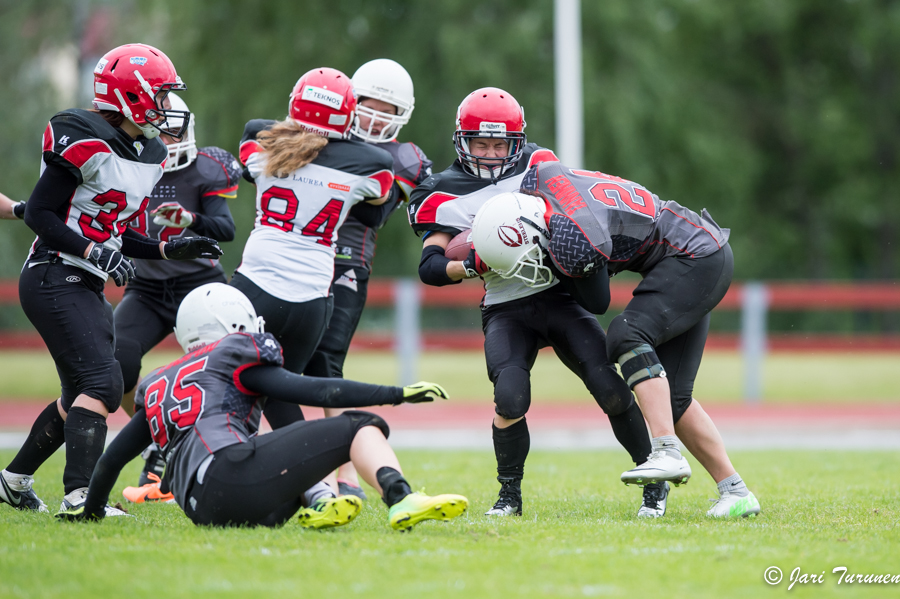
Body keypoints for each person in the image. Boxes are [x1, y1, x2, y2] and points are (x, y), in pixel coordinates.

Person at [408, 88, 659, 518]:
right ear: (462, 141)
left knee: (610, 389)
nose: (489, 153)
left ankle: (654, 484)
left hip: (559, 292)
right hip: (505, 305)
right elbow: (430, 266)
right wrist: (471, 263)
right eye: (480, 143)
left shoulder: (540, 166)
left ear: (517, 142)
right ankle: (509, 496)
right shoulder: (442, 191)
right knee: (509, 397)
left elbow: (580, 214)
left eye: (499, 144)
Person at [0, 43, 222, 517]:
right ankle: (82, 497)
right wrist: (92, 250)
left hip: (84, 279)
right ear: (132, 95)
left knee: (77, 395)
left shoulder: (151, 151)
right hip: (53, 273)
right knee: (104, 383)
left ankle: (14, 481)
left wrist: (169, 247)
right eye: (160, 96)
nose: (166, 108)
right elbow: (40, 212)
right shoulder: (81, 133)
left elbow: (123, 234)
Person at [470, 163, 761, 518]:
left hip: (693, 256)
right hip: (699, 248)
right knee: (672, 398)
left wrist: (564, 262)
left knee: (626, 334)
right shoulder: (539, 179)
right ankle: (736, 491)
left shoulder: (573, 237)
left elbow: (597, 302)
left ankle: (665, 450)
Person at [56, 283, 469, 530]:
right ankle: (400, 497)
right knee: (360, 425)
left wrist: (91, 512)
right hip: (234, 479)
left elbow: (110, 460)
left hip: (203, 508)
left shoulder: (161, 380)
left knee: (273, 443)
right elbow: (320, 392)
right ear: (231, 323)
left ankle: (321, 504)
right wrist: (395, 393)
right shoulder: (232, 357)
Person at [233, 67, 394, 432]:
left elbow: (251, 163)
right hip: (313, 297)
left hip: (256, 282)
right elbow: (374, 212)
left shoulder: (259, 137)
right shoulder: (372, 163)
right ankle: (317, 487)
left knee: (229, 383)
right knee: (281, 393)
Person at [303, 58, 433, 500]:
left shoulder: (403, 158)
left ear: (403, 116)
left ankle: (344, 475)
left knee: (324, 367)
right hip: (297, 257)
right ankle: (316, 471)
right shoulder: (318, 134)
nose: (376, 118)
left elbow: (377, 210)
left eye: (388, 110)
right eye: (369, 106)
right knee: (284, 365)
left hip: (346, 263)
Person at [111, 92, 241, 491]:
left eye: (175, 131)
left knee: (227, 368)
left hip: (199, 286)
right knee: (116, 361)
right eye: (160, 132)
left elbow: (226, 228)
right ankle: (160, 432)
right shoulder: (126, 163)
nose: (168, 141)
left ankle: (223, 444)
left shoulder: (208, 168)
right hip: (147, 287)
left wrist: (190, 219)